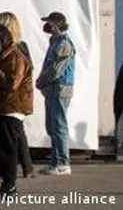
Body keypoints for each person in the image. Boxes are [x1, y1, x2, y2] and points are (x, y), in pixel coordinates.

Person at [0, 24, 32, 197]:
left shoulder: (15, 56)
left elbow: (12, 84)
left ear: (4, 40)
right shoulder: (3, 56)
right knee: (3, 148)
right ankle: (6, 184)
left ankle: (10, 185)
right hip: (1, 107)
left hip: (12, 108)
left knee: (10, 148)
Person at [35, 11, 76, 176]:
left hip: (60, 88)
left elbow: (56, 69)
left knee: (59, 126)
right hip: (52, 89)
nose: (47, 26)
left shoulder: (64, 43)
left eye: (50, 22)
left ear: (57, 24)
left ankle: (63, 163)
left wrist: (41, 81)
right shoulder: (55, 41)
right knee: (52, 127)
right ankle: (55, 162)